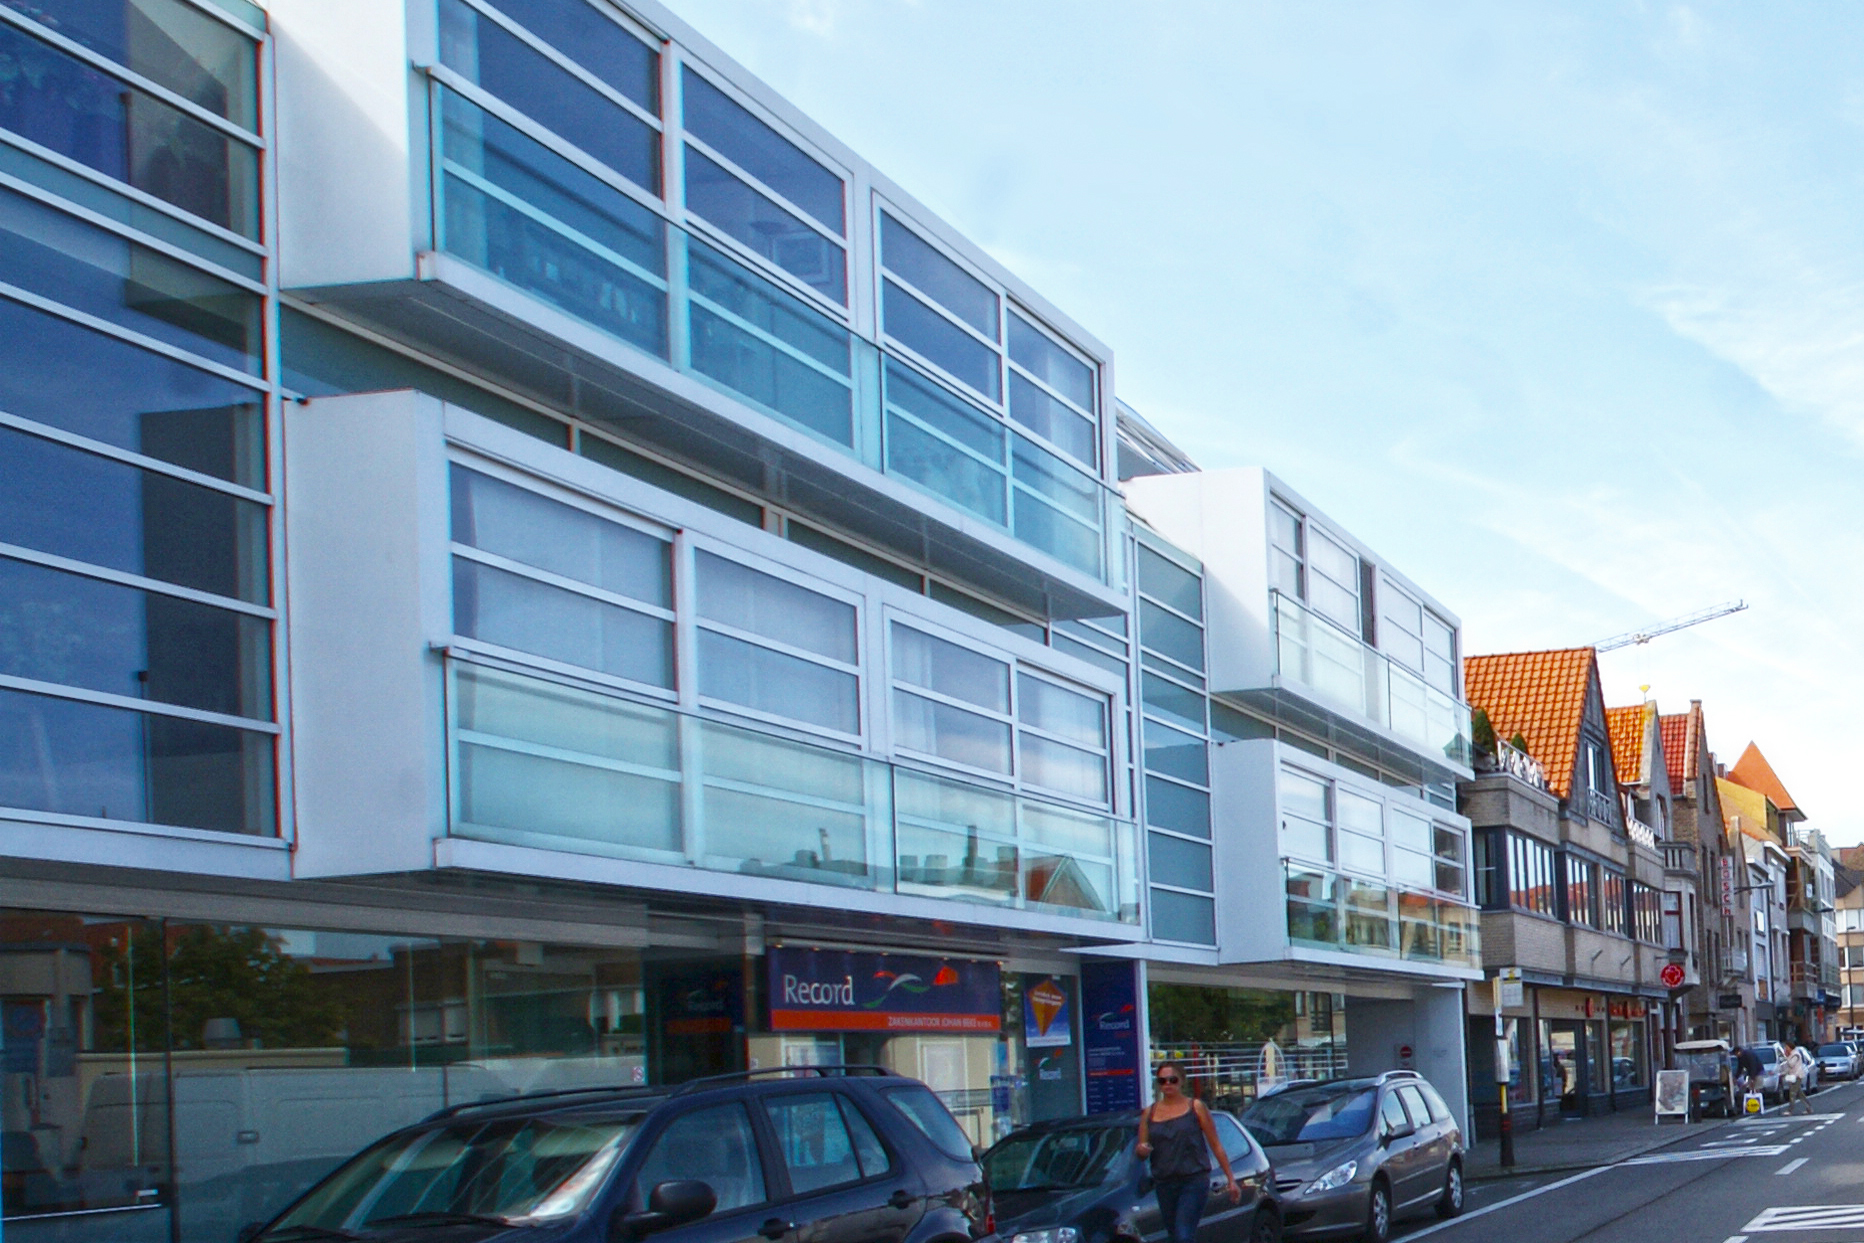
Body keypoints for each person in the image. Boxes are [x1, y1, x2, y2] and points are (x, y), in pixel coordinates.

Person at [1135, 1062, 1239, 1243]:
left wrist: (1231, 1179)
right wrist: (1142, 1149)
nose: (1167, 1084)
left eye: (1172, 1080)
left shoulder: (1195, 1107)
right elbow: (1141, 1149)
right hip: (1164, 1182)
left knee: (1183, 1235)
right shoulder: (1149, 1113)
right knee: (1174, 1235)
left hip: (1193, 1180)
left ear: (1181, 1081)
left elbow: (1215, 1144)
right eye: (1162, 1081)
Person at [1781, 1045, 1811, 1115]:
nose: (1785, 1049)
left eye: (1786, 1047)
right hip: (1792, 1076)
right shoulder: (1792, 1055)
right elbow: (1789, 1068)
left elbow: (1791, 1064)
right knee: (1800, 1093)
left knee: (1792, 1093)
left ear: (1790, 1047)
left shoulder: (1795, 1055)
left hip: (1796, 1076)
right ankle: (1808, 1107)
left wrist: (1786, 1057)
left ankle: (1790, 1110)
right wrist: (1783, 1073)